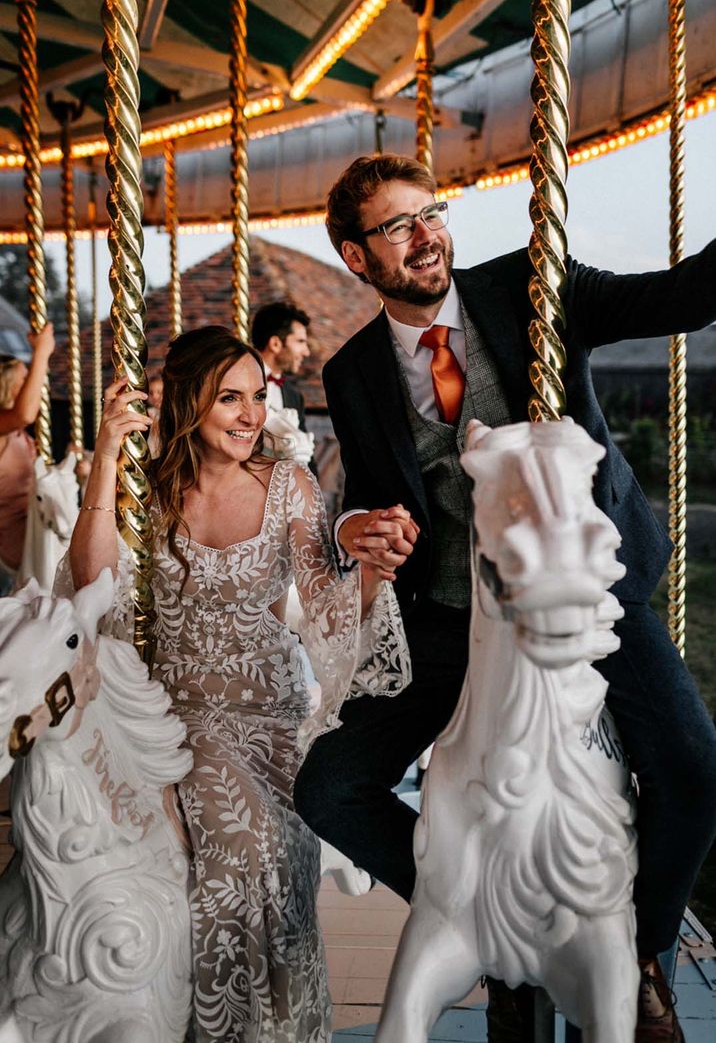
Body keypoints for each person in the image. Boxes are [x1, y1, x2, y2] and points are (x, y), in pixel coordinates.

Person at [292, 154, 716, 1043]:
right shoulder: (356, 372)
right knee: (332, 789)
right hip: (455, 616)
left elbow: (679, 299)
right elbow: (375, 494)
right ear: (354, 255)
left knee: (690, 764)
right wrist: (367, 526)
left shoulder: (530, 285)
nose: (425, 235)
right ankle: (480, 922)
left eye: (431, 213)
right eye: (396, 227)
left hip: (580, 594)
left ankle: (643, 955)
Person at [67, 326, 410, 1043]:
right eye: (229, 398)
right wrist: (105, 460)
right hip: (174, 715)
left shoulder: (290, 486)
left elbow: (323, 611)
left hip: (271, 716)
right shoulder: (152, 485)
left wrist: (373, 571)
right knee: (232, 849)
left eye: (257, 396)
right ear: (190, 402)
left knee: (272, 860)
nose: (250, 415)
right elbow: (93, 584)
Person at [0, 323, 55, 595]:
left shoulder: (19, 435)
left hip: (33, 533)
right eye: (24, 379)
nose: (32, 384)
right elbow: (24, 413)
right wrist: (42, 353)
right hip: (9, 548)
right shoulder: (4, 428)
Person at [251, 301, 317, 474]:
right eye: (300, 341)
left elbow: (308, 459)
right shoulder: (239, 382)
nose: (306, 351)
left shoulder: (294, 396)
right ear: (275, 344)